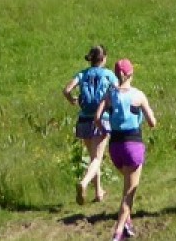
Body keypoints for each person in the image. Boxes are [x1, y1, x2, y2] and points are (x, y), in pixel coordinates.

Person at [94, 59, 157, 241]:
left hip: (115, 146)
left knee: (126, 183)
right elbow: (152, 122)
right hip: (133, 145)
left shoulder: (110, 94)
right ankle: (118, 232)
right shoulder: (138, 95)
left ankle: (127, 223)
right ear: (130, 74)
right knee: (128, 193)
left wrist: (105, 130)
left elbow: (97, 117)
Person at [61, 45, 118, 204]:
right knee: (97, 158)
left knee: (93, 157)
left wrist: (72, 100)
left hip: (84, 118)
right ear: (104, 58)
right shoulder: (108, 74)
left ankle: (99, 192)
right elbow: (118, 91)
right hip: (101, 118)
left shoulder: (83, 74)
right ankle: (84, 183)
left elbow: (66, 90)